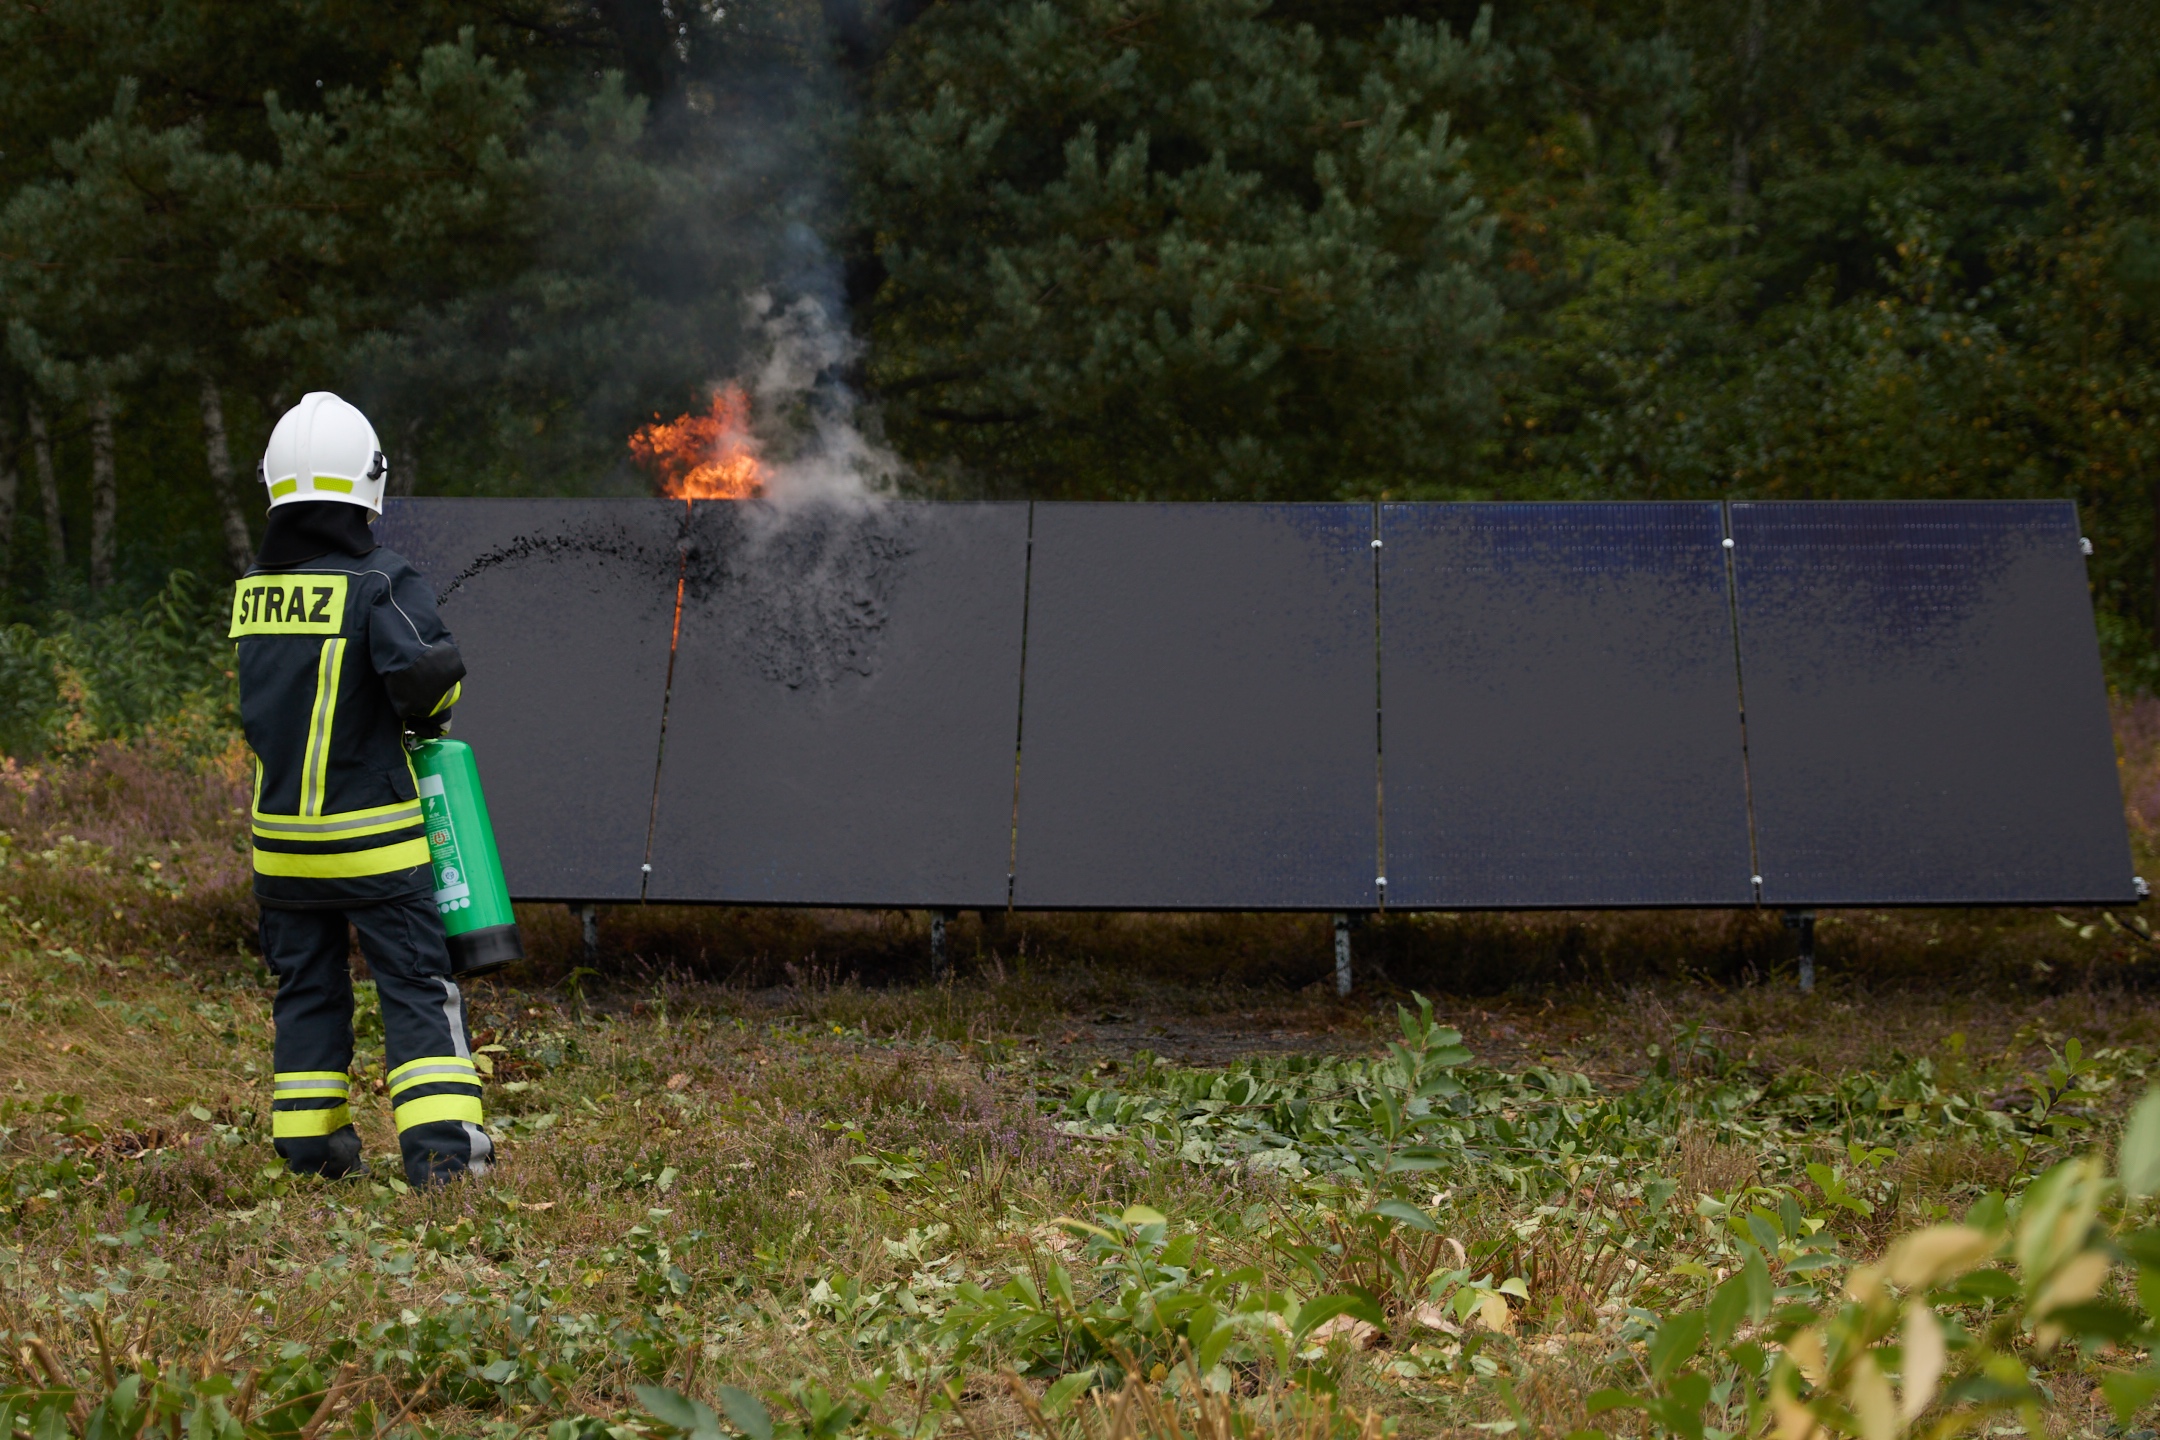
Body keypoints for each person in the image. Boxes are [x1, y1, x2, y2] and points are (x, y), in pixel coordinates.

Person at [232, 392, 489, 1185]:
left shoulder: (252, 591)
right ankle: (446, 1164)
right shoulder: (379, 582)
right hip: (374, 842)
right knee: (415, 990)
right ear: (367, 487)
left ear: (277, 485)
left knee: (307, 992)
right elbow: (429, 678)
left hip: (281, 851)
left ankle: (313, 1158)